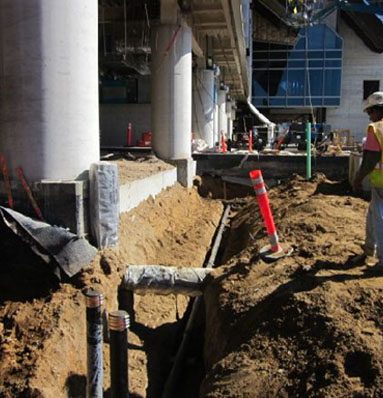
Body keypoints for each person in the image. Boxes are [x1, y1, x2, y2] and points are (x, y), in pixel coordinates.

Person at [353, 91, 383, 271]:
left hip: (381, 183)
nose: (370, 117)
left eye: (370, 113)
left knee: (379, 219)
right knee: (372, 214)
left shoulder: (376, 129)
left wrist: (358, 179)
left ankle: (381, 260)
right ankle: (369, 249)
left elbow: (370, 160)